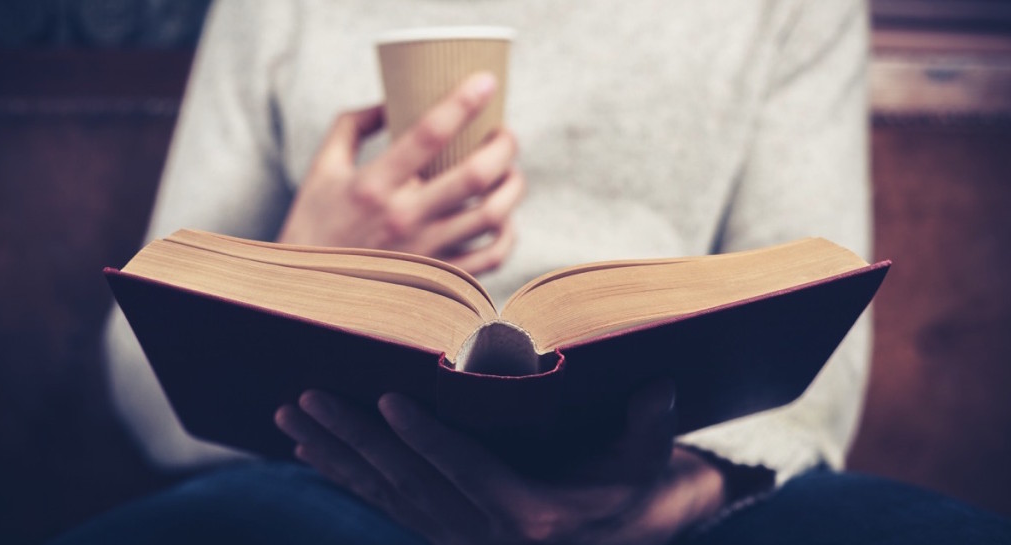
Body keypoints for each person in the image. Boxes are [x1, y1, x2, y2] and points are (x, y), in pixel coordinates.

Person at [56, 0, 1010, 543]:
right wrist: (312, 255)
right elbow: (142, 386)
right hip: (332, 478)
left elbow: (817, 365)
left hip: (677, 495)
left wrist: (667, 501)